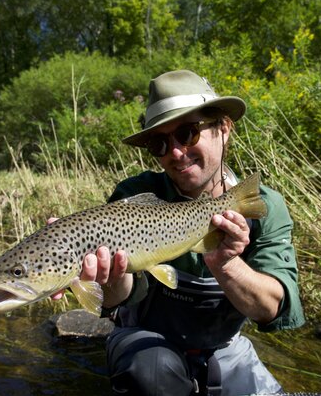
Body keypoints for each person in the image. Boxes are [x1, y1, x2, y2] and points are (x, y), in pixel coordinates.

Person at [51, 69, 305, 395]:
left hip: (225, 348)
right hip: (145, 341)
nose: (175, 152)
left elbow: (273, 310)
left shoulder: (261, 206)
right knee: (150, 373)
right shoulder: (135, 196)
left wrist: (227, 264)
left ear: (224, 129)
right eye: (160, 143)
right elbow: (120, 298)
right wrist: (107, 276)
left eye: (187, 134)